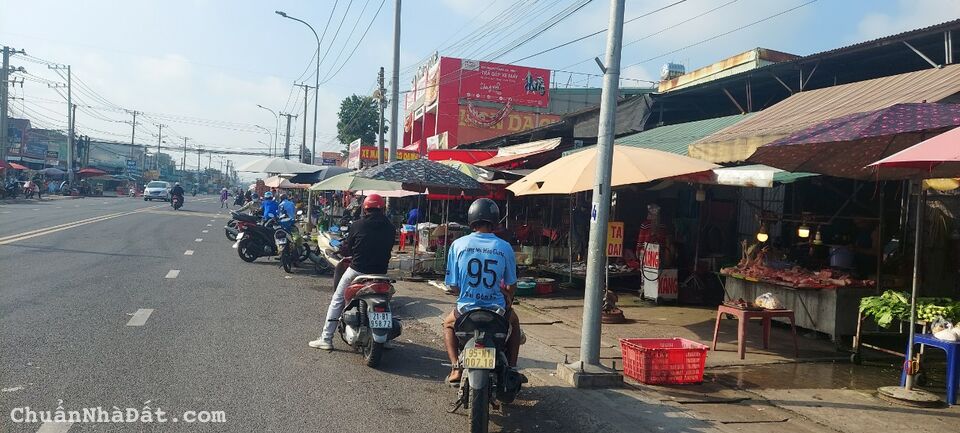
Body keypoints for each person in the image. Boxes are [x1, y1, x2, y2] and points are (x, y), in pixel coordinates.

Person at [442, 198, 520, 384]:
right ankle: (512, 368)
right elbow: (511, 283)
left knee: (447, 324)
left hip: (466, 311)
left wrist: (466, 291)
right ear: (494, 220)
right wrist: (508, 295)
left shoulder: (458, 244)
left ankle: (455, 368)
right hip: (497, 311)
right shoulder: (504, 247)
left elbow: (452, 285)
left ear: (471, 219)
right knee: (515, 324)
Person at [309, 194, 396, 350]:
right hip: (381, 275)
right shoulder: (391, 227)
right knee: (387, 302)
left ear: (365, 208)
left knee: (337, 300)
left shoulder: (358, 225)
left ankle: (326, 338)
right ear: (382, 208)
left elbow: (348, 248)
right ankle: (386, 338)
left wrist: (344, 250)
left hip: (358, 271)